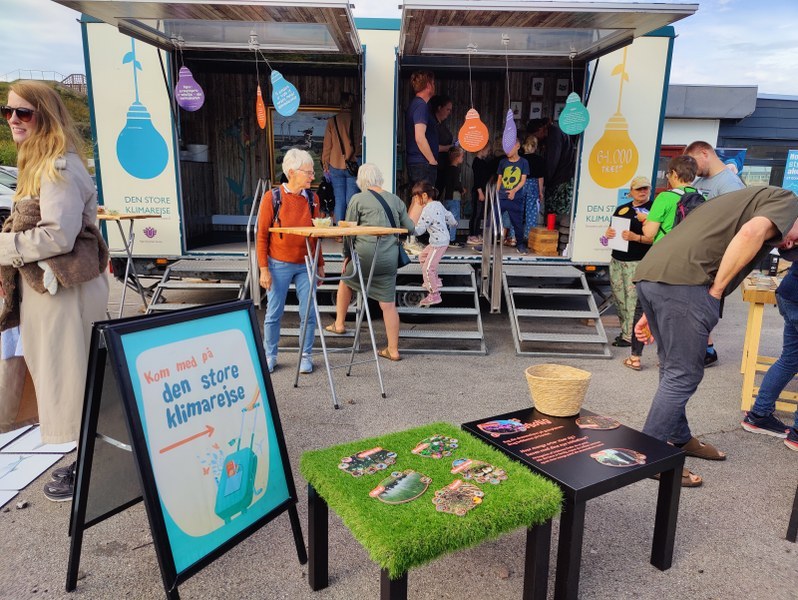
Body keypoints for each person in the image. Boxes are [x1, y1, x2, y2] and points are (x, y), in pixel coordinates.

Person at [633, 186, 798, 487]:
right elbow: (750, 233)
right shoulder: (788, 201)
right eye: (794, 240)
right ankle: (651, 455)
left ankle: (679, 437)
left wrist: (654, 304)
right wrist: (717, 290)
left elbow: (690, 235)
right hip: (684, 284)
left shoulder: (745, 199)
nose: (787, 244)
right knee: (683, 374)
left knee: (672, 369)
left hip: (655, 275)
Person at [0, 81, 110, 502]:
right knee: (71, 377)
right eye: (8, 111)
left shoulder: (58, 167)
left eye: (23, 112)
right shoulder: (44, 163)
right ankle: (92, 462)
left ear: (45, 115)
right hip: (54, 292)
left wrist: (5, 247)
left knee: (74, 379)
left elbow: (58, 236)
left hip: (64, 295)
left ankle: (92, 467)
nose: (13, 119)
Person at [325, 164, 417, 361]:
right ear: (379, 178)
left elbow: (348, 232)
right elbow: (410, 228)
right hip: (388, 258)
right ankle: (393, 350)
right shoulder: (395, 199)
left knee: (345, 280)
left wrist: (347, 255)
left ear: (361, 180)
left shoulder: (357, 199)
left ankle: (339, 324)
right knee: (388, 305)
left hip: (364, 257)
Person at [257, 148, 325, 375]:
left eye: (312, 172)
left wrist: (320, 263)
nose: (313, 176)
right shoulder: (272, 198)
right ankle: (270, 355)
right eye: (309, 172)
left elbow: (316, 235)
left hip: (306, 263)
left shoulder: (313, 199)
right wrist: (263, 269)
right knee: (273, 312)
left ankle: (306, 355)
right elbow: (261, 235)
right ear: (292, 172)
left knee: (308, 313)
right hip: (278, 263)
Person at [685, 141, 747, 366]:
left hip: (715, 255)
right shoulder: (700, 181)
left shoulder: (730, 184)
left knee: (703, 303)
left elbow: (735, 225)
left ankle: (705, 351)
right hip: (698, 251)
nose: (691, 167)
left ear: (705, 153)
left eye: (693, 161)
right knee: (693, 303)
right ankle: (704, 349)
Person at [741, 253, 798, 450]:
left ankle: (759, 415)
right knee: (789, 359)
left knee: (789, 359)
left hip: (789, 291)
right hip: (793, 293)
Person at [603, 176, 653, 367]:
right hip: (617, 259)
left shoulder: (653, 209)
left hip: (637, 260)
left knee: (633, 301)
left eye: (645, 188)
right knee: (619, 298)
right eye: (639, 189)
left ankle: (632, 337)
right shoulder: (622, 209)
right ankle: (625, 332)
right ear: (631, 191)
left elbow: (654, 237)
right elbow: (610, 231)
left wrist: (635, 237)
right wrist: (608, 234)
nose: (642, 192)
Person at [412, 181, 457, 307]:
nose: (415, 200)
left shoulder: (427, 210)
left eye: (416, 197)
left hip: (438, 243)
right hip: (439, 241)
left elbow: (420, 230)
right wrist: (454, 223)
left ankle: (434, 294)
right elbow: (448, 215)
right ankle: (434, 281)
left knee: (428, 268)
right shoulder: (438, 204)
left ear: (424, 195)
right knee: (423, 256)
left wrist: (408, 229)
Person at [322, 92, 361, 223]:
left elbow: (327, 146)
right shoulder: (357, 121)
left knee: (339, 200)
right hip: (353, 165)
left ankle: (339, 230)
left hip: (335, 164)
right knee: (351, 200)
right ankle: (350, 229)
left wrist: (325, 164)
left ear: (340, 104)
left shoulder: (332, 121)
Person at [641, 155, 698, 244]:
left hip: (666, 248)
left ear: (674, 174)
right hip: (690, 248)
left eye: (668, 174)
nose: (668, 177)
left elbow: (649, 233)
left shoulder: (665, 197)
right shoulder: (702, 197)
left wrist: (645, 220)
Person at [526, 117, 575, 217]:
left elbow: (553, 160)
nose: (536, 138)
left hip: (560, 178)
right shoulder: (554, 133)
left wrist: (545, 180)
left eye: (535, 135)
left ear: (540, 129)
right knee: (555, 210)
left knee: (555, 210)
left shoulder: (554, 136)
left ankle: (555, 225)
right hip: (560, 176)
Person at [496, 134, 530, 254]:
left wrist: (514, 191)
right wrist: (496, 194)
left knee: (517, 223)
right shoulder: (503, 162)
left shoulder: (523, 162)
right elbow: (499, 179)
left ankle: (520, 245)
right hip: (502, 197)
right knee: (492, 220)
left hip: (515, 198)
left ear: (517, 146)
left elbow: (523, 180)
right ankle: (486, 244)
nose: (506, 150)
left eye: (509, 147)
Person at [404, 71, 438, 187]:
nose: (434, 86)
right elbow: (419, 137)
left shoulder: (415, 104)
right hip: (422, 163)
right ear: (428, 85)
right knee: (425, 197)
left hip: (418, 162)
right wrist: (432, 160)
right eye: (433, 83)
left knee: (418, 196)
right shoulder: (421, 106)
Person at [466, 142, 494, 246]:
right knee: (476, 214)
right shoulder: (476, 162)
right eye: (488, 150)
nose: (488, 153)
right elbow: (477, 179)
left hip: (483, 190)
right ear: (481, 150)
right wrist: (480, 192)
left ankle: (477, 234)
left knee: (480, 213)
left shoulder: (483, 162)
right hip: (478, 192)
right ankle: (472, 235)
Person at [439, 146, 466, 247]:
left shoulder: (447, 169)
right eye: (462, 157)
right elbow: (456, 184)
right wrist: (462, 190)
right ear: (457, 158)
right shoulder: (456, 170)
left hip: (447, 197)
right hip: (454, 198)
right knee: (454, 219)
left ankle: (446, 237)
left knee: (446, 218)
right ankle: (452, 239)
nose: (463, 159)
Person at [521, 134, 545, 237]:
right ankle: (529, 236)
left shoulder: (520, 159)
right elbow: (540, 177)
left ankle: (514, 236)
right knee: (531, 211)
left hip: (520, 184)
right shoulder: (539, 160)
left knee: (518, 210)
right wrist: (540, 192)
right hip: (533, 185)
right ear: (535, 146)